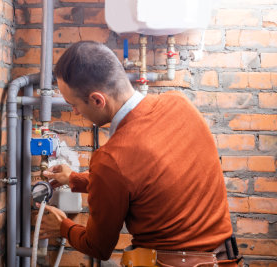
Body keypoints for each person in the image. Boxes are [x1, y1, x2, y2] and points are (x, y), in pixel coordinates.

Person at [40, 41, 240, 266]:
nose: (74, 111)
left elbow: (98, 246)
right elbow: (149, 179)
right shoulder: (179, 103)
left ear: (97, 100)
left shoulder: (111, 159)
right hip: (226, 260)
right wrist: (74, 179)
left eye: (73, 104)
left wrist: (62, 226)